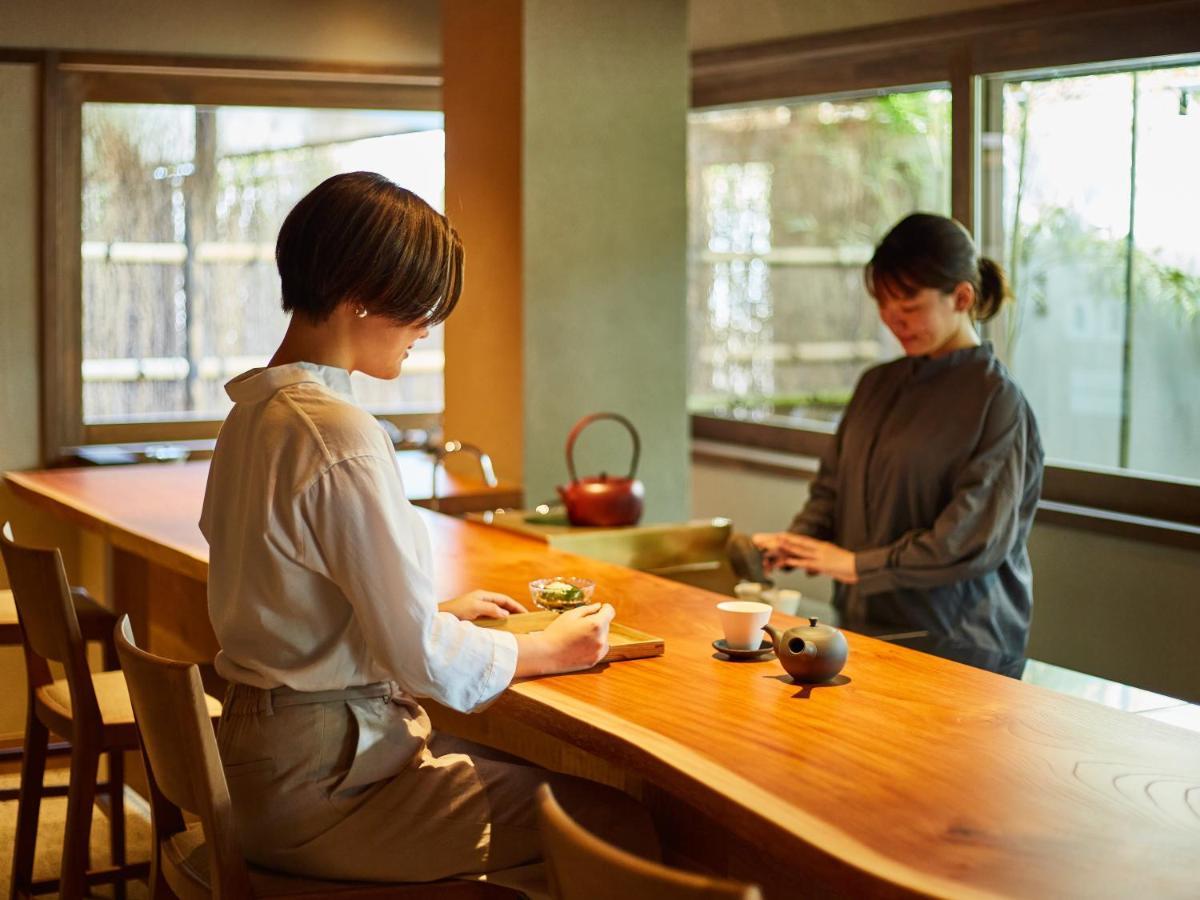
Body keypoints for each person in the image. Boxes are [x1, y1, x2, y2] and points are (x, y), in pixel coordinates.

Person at [199, 171, 655, 891]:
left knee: (528, 786)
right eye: (419, 310)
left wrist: (434, 616)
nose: (425, 330)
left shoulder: (253, 414)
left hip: (265, 767)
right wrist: (545, 647)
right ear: (363, 296)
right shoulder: (337, 432)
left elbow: (293, 600)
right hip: (330, 788)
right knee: (615, 824)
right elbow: (422, 662)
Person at [751, 212, 1044, 677]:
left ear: (962, 297)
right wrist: (798, 542)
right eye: (884, 306)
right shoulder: (876, 385)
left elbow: (969, 540)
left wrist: (855, 565)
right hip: (866, 630)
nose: (894, 321)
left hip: (961, 645)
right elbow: (832, 488)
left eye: (908, 308)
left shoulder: (997, 402)